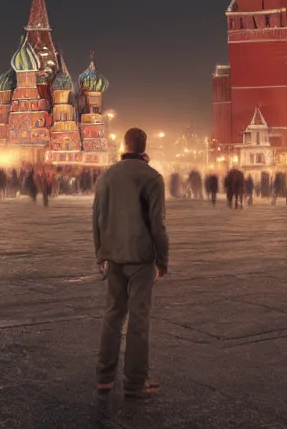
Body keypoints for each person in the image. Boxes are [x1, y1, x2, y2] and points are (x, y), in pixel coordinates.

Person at [93, 127, 170, 399]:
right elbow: (157, 225)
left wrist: (99, 253)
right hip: (141, 259)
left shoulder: (106, 176)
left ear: (124, 145)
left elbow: (97, 219)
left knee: (113, 316)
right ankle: (135, 382)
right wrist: (163, 258)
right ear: (144, 146)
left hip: (112, 256)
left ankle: (104, 379)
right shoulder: (152, 178)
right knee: (138, 319)